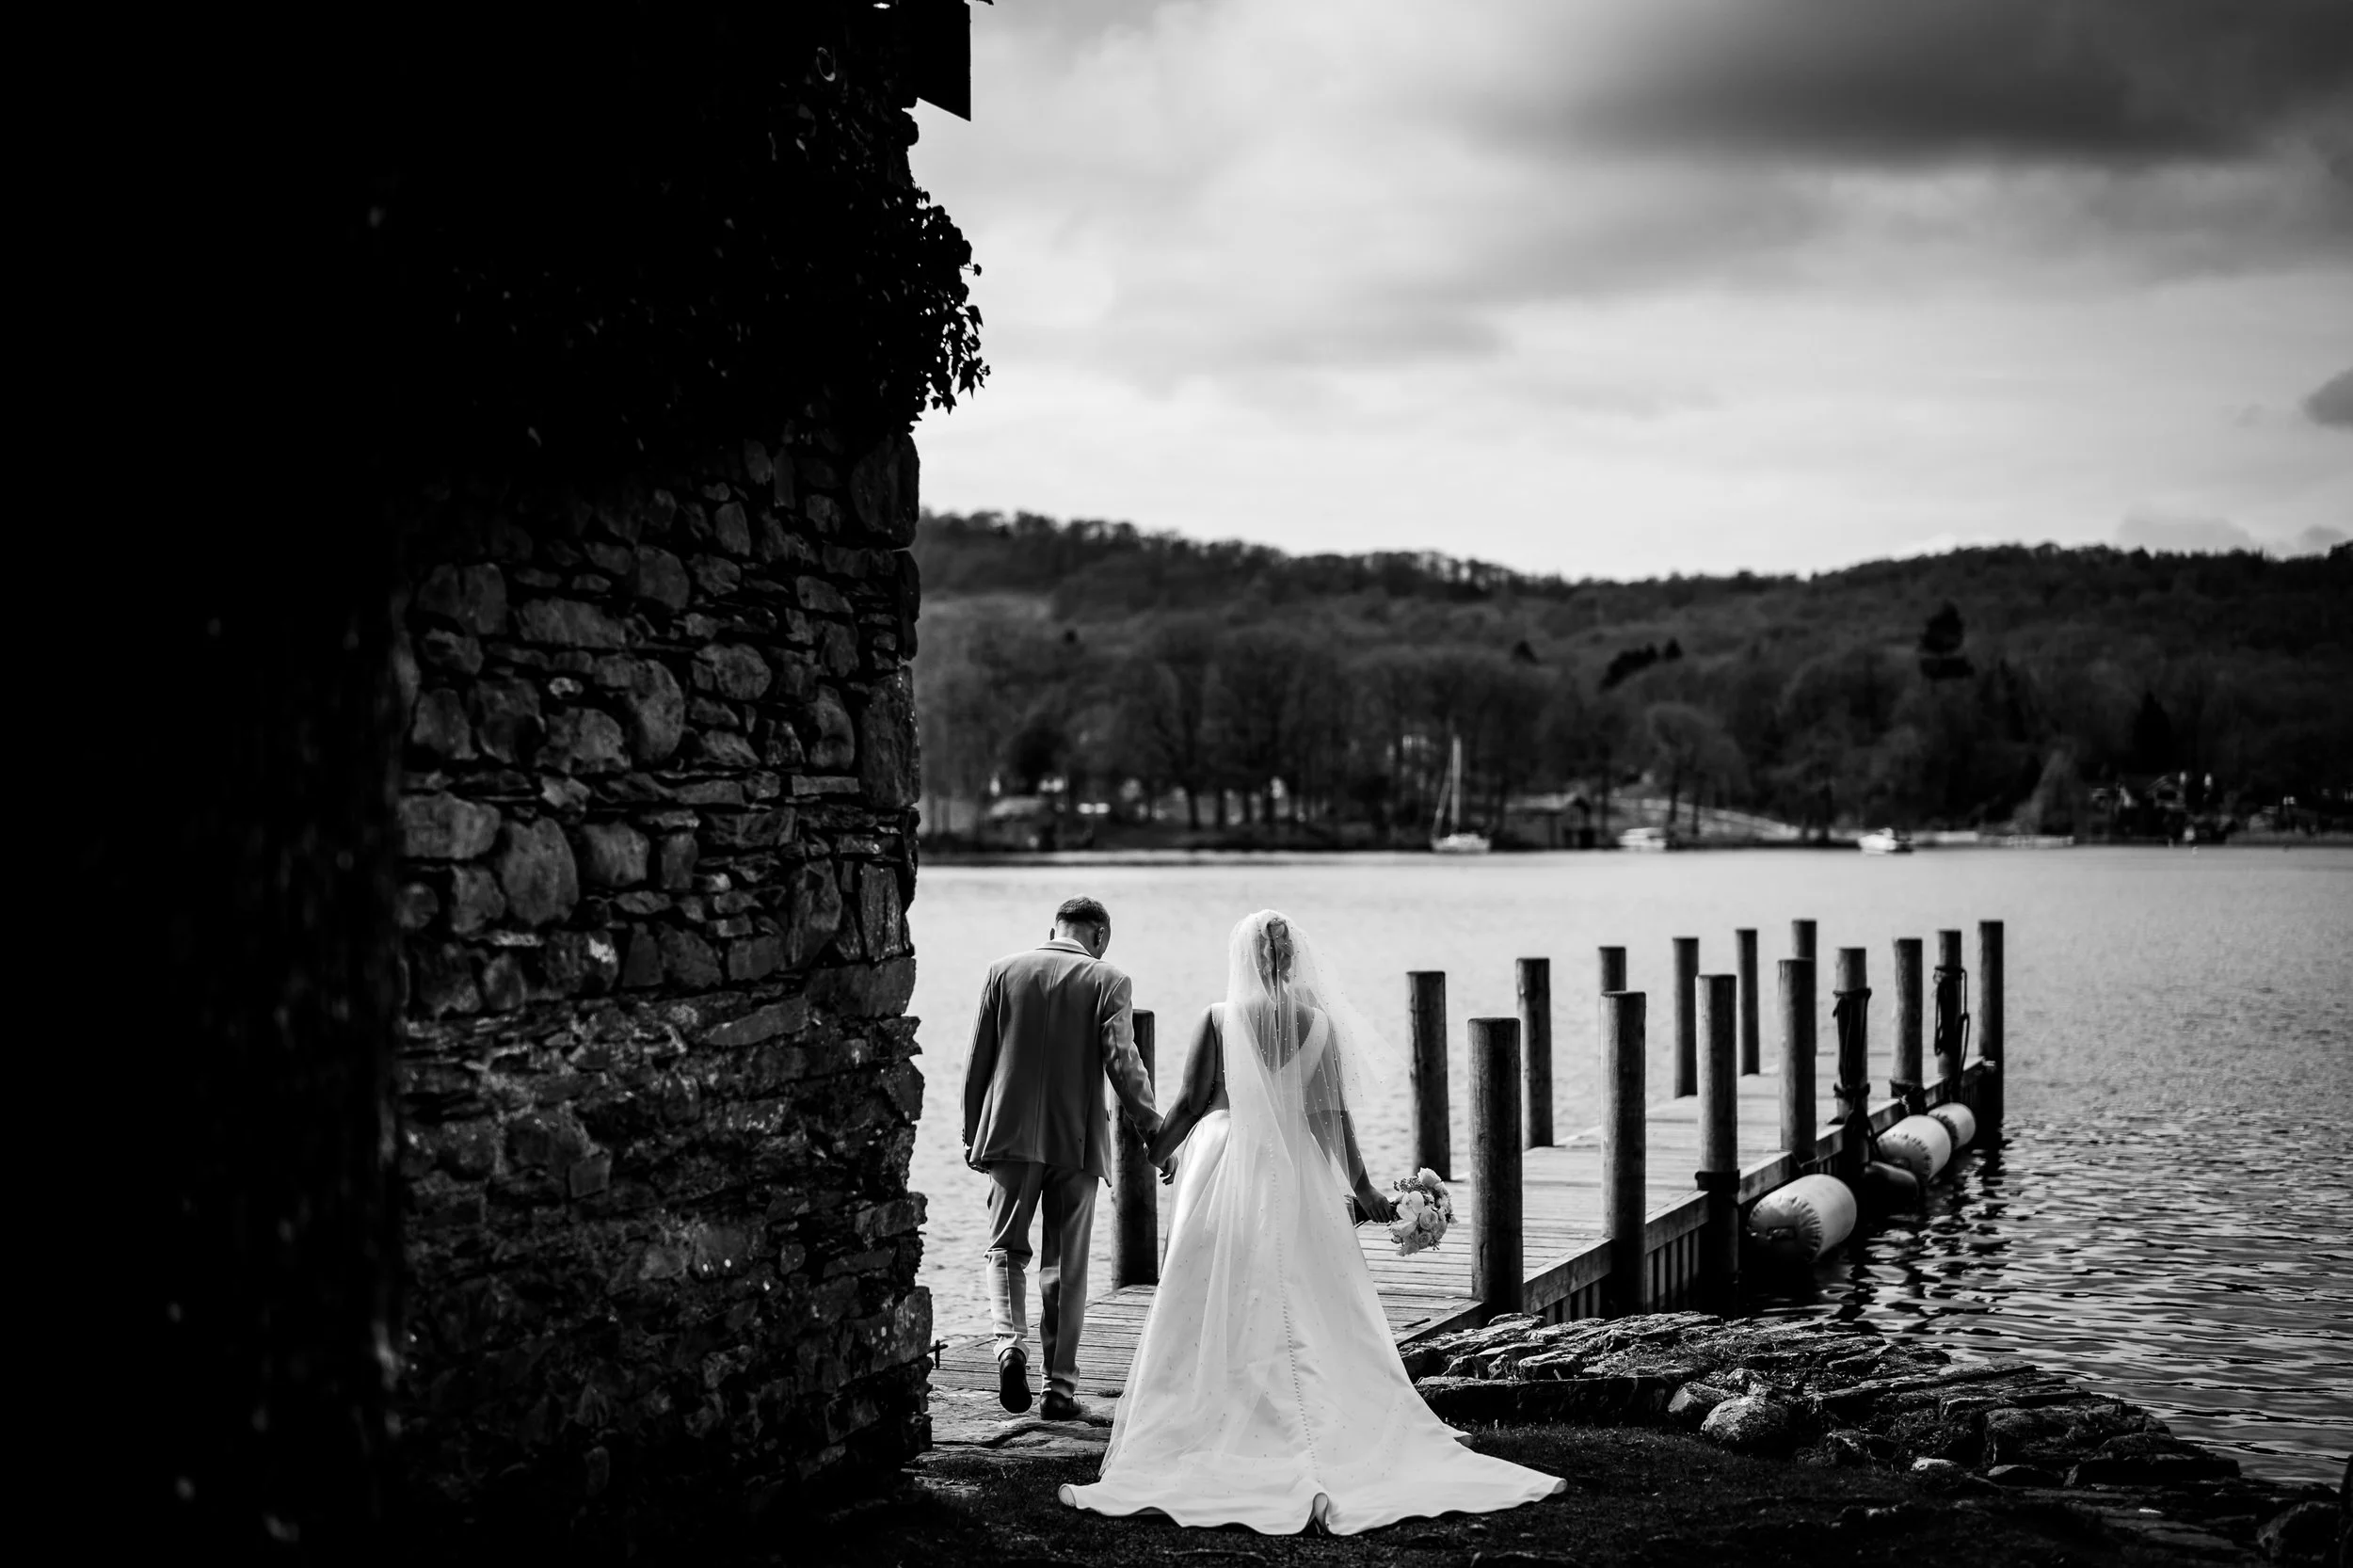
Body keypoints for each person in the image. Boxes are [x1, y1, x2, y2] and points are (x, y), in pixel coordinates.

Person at [1060, 910, 1564, 1534]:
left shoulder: (1218, 1018)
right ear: (1292, 959)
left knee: (1216, 1287)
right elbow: (1331, 1117)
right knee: (1303, 1288)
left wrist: (1158, 1151)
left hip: (1224, 1161)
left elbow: (1190, 1101)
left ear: (1245, 958)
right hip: (1296, 1166)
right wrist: (1362, 1186)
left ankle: (1227, 1405)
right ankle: (1315, 1411)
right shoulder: (1319, 1024)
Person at [963, 896, 1162, 1419]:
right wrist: (1154, 1130)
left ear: (1052, 929)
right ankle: (1058, 1390)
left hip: (1007, 1136)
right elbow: (1123, 1062)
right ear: (1100, 937)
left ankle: (1009, 1346)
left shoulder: (1002, 971)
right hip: (1075, 1142)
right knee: (1066, 1265)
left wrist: (971, 1132)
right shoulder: (1109, 980)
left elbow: (978, 1060)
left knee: (1005, 1250)